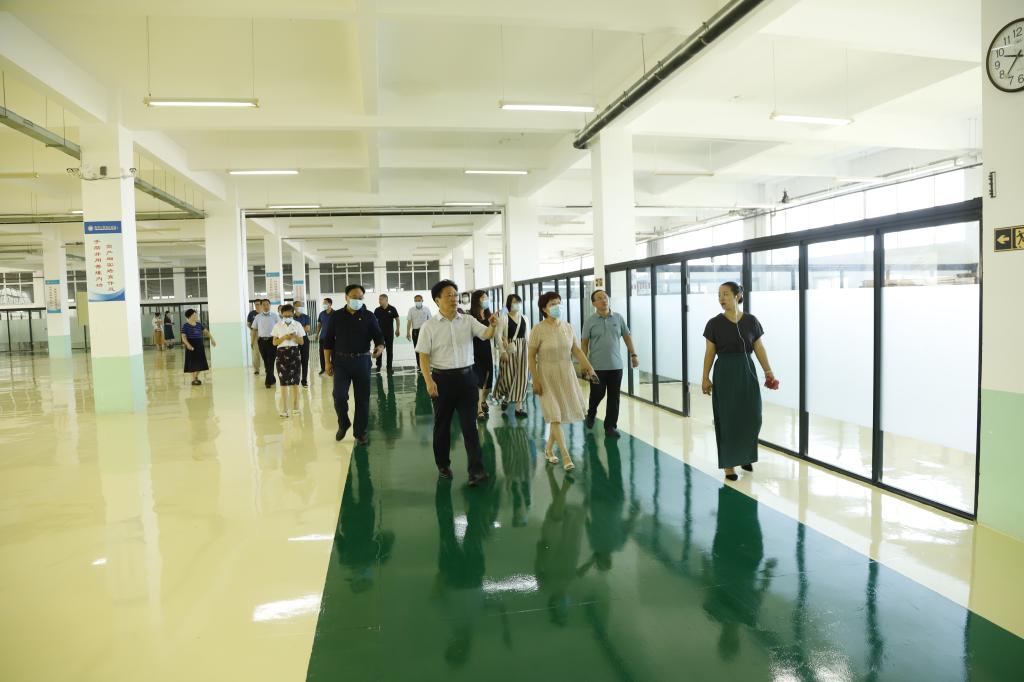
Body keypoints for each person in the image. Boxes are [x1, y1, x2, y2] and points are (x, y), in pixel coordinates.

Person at [416, 279, 498, 486]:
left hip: (467, 379)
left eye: (455, 294)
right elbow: (423, 355)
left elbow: (486, 335)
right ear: (437, 300)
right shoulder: (429, 326)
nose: (453, 298)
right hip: (442, 380)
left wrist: (493, 325)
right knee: (442, 426)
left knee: (470, 427)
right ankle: (443, 464)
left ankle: (476, 471)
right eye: (448, 295)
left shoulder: (468, 320)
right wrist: (428, 380)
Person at [701, 282, 778, 481]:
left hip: (747, 371)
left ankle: (745, 455)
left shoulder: (751, 321)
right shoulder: (714, 324)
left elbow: (759, 347)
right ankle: (729, 464)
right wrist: (705, 377)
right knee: (728, 419)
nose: (721, 298)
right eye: (719, 295)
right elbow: (710, 352)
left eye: (726, 294)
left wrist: (768, 371)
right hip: (725, 372)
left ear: (737, 296)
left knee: (752, 416)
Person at [528, 291, 596, 472]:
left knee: (556, 418)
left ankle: (549, 449)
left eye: (559, 302)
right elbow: (531, 356)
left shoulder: (568, 327)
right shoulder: (538, 329)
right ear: (544, 309)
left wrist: (589, 368)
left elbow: (576, 350)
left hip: (566, 375)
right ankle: (566, 456)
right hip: (546, 376)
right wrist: (535, 380)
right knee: (554, 415)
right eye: (552, 304)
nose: (557, 306)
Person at [322, 284, 385, 445]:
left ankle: (360, 432)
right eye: (354, 297)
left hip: (362, 361)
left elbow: (379, 337)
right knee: (339, 396)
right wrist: (327, 363)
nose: (357, 300)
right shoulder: (336, 316)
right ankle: (343, 423)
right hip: (341, 363)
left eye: (360, 298)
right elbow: (328, 341)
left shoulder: (369, 316)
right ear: (346, 297)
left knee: (362, 399)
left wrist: (379, 348)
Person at [581, 289, 639, 438]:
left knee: (614, 398)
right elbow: (584, 343)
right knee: (597, 394)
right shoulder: (590, 321)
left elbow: (627, 337)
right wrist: (584, 363)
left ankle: (610, 426)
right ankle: (591, 413)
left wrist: (633, 354)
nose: (604, 300)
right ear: (594, 303)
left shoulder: (618, 318)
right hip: (596, 367)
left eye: (605, 297)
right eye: (599, 298)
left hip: (616, 366)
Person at [493, 293, 530, 417]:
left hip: (523, 350)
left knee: (522, 377)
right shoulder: (504, 318)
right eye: (514, 302)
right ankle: (506, 397)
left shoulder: (525, 318)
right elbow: (498, 335)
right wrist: (502, 351)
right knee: (507, 376)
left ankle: (519, 407)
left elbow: (527, 336)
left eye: (518, 302)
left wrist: (531, 353)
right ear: (509, 304)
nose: (517, 304)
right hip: (509, 349)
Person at [272, 303, 306, 417]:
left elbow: (302, 342)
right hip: (281, 354)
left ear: (293, 314)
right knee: (283, 382)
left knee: (295, 382)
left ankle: (296, 407)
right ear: (281, 314)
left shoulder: (297, 324)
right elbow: (274, 342)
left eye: (289, 315)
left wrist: (294, 337)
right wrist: (283, 338)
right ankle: (285, 408)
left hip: (294, 354)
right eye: (285, 315)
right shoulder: (277, 325)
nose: (287, 317)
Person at [468, 290, 494, 420]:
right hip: (474, 350)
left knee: (488, 382)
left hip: (487, 350)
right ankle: (478, 410)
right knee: (478, 380)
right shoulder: (470, 316)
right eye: (483, 298)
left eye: (487, 298)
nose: (486, 300)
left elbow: (493, 332)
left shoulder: (489, 315)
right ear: (476, 300)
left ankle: (483, 400)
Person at [181, 308, 216, 385]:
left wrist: (212, 339)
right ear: (190, 316)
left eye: (196, 314)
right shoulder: (185, 326)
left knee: (201, 362)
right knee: (192, 363)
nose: (196, 316)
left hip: (199, 345)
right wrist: (188, 344)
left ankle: (195, 376)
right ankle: (194, 378)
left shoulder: (199, 324)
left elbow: (206, 332)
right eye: (194, 315)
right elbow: (183, 337)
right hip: (191, 345)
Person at [250, 299, 280, 388]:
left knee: (271, 361)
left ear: (270, 305)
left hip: (272, 341)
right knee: (266, 362)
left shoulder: (275, 316)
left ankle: (268, 382)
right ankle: (272, 378)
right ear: (261, 306)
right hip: (261, 342)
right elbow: (254, 330)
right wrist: (252, 341)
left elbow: (280, 328)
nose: (266, 306)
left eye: (267, 304)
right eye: (264, 305)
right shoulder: (258, 317)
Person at [372, 294, 401, 373]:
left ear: (386, 300)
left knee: (389, 350)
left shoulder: (392, 309)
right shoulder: (377, 310)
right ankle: (378, 365)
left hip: (389, 333)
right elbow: (374, 322)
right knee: (379, 349)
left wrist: (398, 329)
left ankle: (389, 367)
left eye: (381, 299)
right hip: (379, 334)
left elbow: (397, 319)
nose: (379, 301)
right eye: (379, 299)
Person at [406, 294, 432, 370]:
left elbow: (430, 321)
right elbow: (409, 322)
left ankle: (427, 364)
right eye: (416, 300)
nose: (417, 302)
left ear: (422, 300)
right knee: (417, 349)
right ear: (414, 301)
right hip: (415, 332)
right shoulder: (411, 310)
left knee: (427, 348)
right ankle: (420, 365)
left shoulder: (426, 309)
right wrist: (408, 333)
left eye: (419, 300)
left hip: (425, 331)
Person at [293, 300, 313, 387]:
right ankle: (295, 379)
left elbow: (307, 329)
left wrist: (296, 330)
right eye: (298, 305)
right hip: (294, 340)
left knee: (305, 360)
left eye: (301, 306)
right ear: (294, 307)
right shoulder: (291, 317)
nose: (300, 307)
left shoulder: (306, 317)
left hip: (304, 339)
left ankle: (304, 380)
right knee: (294, 360)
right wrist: (301, 328)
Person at [316, 297, 334, 375]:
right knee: (322, 354)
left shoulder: (335, 313)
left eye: (325, 303)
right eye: (323, 303)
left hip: (333, 338)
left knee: (333, 354)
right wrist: (317, 334)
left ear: (330, 304)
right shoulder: (321, 314)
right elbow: (319, 325)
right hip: (323, 337)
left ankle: (333, 368)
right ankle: (323, 368)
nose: (324, 304)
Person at [246, 304, 262, 374]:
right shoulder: (251, 313)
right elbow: (248, 324)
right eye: (256, 304)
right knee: (255, 352)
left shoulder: (263, 313)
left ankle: (266, 368)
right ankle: (256, 369)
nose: (257, 306)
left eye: (258, 304)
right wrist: (252, 330)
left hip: (264, 333)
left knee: (264, 351)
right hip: (254, 333)